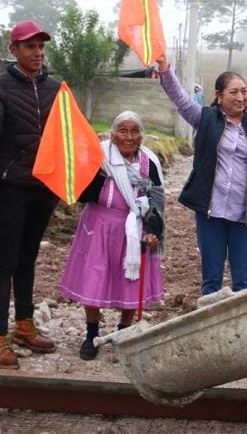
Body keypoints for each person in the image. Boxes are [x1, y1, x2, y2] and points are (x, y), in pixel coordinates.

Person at [156, 54, 247, 296]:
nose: (240, 97)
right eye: (233, 92)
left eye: (244, 91)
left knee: (243, 281)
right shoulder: (205, 119)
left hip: (245, 214)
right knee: (211, 280)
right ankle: (210, 329)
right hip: (211, 212)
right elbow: (180, 99)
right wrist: (165, 69)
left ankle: (241, 330)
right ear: (218, 95)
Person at [0, 20, 61, 369]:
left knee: (28, 259)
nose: (38, 52)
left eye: (41, 46)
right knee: (7, 260)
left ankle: (24, 324)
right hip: (12, 184)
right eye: (30, 46)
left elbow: (67, 138)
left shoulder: (57, 89)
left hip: (45, 186)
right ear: (14, 50)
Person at [59, 111, 166, 360]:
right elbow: (82, 194)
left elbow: (157, 201)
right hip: (99, 225)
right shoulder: (99, 156)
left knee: (131, 279)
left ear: (141, 136)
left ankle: (125, 332)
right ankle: (91, 335)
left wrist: (154, 232)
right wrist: (99, 172)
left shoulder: (149, 162)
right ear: (113, 134)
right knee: (94, 277)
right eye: (123, 131)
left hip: (135, 227)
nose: (128, 137)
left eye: (134, 131)